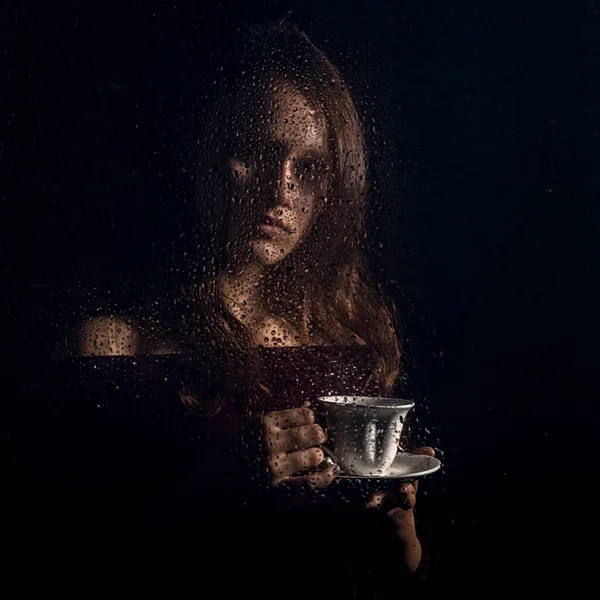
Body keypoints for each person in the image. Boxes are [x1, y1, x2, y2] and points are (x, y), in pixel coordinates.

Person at [17, 23, 434, 593]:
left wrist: (401, 536)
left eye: (308, 168)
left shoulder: (353, 343)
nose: (281, 190)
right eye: (258, 152)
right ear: (207, 154)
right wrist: (212, 491)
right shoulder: (110, 348)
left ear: (332, 188)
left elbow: (383, 573)